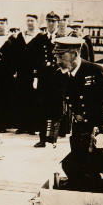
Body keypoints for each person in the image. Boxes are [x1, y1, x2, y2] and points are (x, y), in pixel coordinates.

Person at [53, 37, 103, 194]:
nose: (57, 60)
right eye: (56, 56)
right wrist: (51, 134)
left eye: (61, 56)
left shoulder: (96, 71)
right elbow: (56, 105)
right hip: (80, 137)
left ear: (75, 54)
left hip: (102, 139)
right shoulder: (62, 75)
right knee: (72, 168)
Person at [12, 13, 46, 134]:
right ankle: (22, 125)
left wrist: (37, 74)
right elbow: (15, 54)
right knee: (21, 97)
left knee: (32, 99)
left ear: (36, 23)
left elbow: (42, 57)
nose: (30, 23)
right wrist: (15, 70)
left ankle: (32, 127)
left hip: (33, 73)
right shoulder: (20, 36)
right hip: (21, 72)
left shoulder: (41, 36)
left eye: (32, 21)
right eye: (28, 21)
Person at [34, 11, 63, 147]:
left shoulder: (62, 38)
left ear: (58, 23)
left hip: (57, 79)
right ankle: (42, 139)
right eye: (49, 21)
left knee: (56, 109)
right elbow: (33, 58)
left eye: (54, 21)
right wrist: (35, 76)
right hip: (43, 79)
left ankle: (52, 138)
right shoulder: (40, 38)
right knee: (41, 108)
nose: (51, 24)